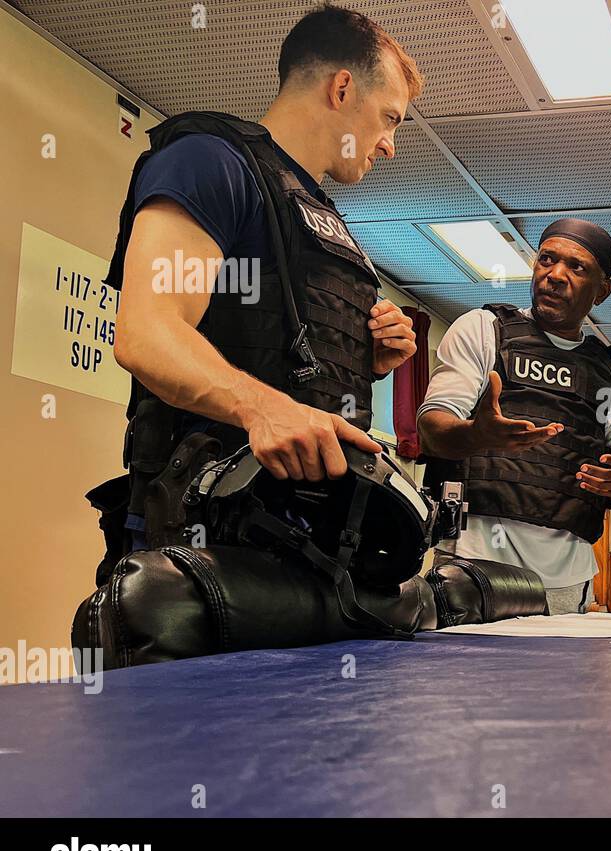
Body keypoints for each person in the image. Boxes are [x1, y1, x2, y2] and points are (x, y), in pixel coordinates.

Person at [93, 3, 424, 570]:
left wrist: (365, 356)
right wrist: (262, 407)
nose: (391, 144)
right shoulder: (210, 160)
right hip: (202, 540)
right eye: (390, 118)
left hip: (306, 542)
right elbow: (146, 333)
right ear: (342, 88)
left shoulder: (324, 218)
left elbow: (272, 339)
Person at [417, 219, 611, 615]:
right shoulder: (483, 330)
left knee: (560, 680)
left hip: (566, 580)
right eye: (546, 260)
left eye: (576, 268)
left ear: (602, 291)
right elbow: (432, 431)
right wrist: (479, 435)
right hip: (472, 568)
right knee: (460, 678)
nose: (555, 276)